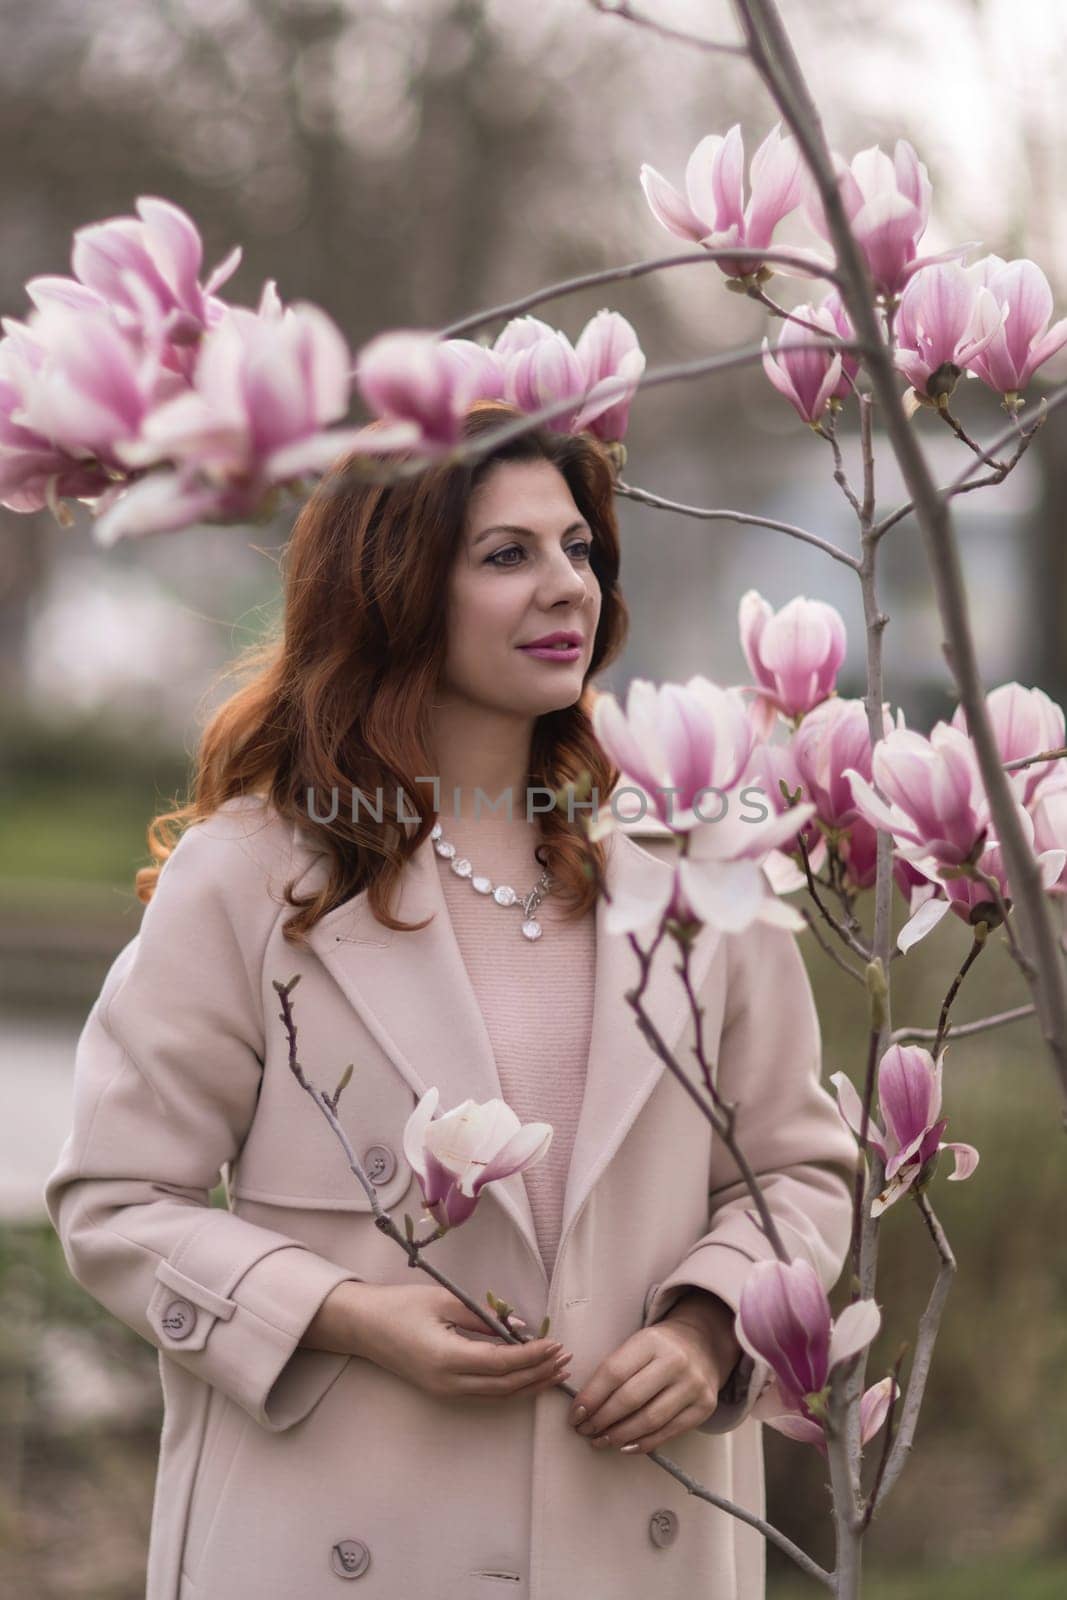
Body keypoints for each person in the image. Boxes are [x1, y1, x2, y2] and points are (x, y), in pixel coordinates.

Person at [44, 400, 861, 1600]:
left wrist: (707, 1323)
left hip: (630, 1532)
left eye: (577, 549)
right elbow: (116, 1199)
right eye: (505, 555)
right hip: (331, 1532)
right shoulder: (254, 876)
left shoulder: (692, 872)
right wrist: (346, 1314)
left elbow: (797, 1169)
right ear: (393, 589)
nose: (564, 587)